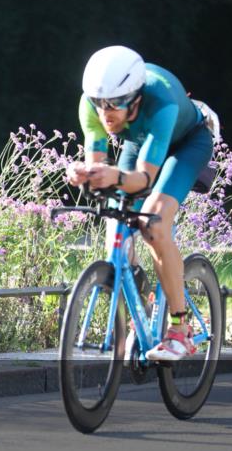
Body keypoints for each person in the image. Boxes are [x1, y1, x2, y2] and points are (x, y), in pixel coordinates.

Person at [66, 46, 214, 361]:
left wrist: (113, 176)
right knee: (114, 231)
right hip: (140, 142)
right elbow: (99, 169)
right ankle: (142, 306)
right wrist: (85, 174)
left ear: (135, 98)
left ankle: (179, 328)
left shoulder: (160, 101)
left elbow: (144, 180)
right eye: (99, 104)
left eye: (116, 104)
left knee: (154, 223)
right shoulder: (90, 106)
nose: (106, 113)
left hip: (186, 145)